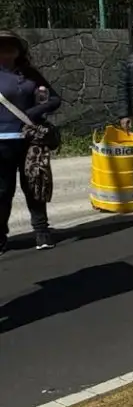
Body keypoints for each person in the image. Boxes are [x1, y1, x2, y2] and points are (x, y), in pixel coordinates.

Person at [0, 31, 61, 254]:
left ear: (19, 50)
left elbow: (54, 99)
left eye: (11, 46)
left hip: (30, 140)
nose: (6, 50)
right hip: (1, 143)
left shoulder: (30, 74)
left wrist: (34, 112)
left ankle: (42, 231)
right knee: (2, 191)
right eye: (1, 46)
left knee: (35, 185)